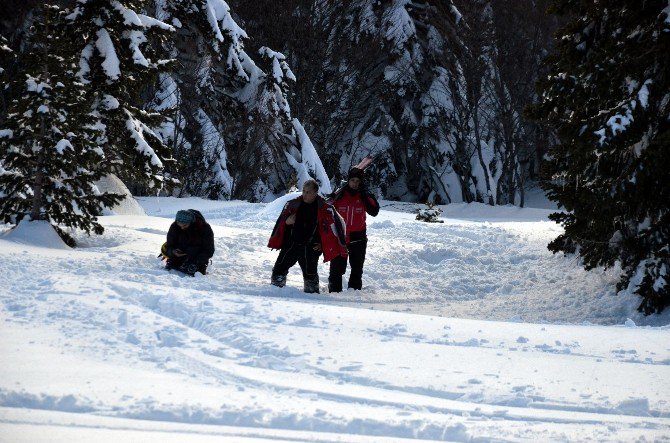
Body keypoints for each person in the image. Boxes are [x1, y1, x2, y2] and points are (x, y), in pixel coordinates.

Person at [268, 179, 347, 293]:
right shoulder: (293, 204)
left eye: (308, 192)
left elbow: (333, 231)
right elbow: (281, 224)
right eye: (304, 191)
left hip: (311, 246)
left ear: (315, 193)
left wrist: (322, 244)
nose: (305, 194)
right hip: (292, 243)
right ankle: (275, 292)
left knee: (310, 274)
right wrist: (287, 221)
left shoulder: (325, 208)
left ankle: (312, 297)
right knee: (279, 269)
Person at [328, 167, 380, 292]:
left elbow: (374, 211)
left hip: (359, 237)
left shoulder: (363, 196)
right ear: (348, 181)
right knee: (337, 267)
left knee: (357, 267)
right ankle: (334, 291)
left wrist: (366, 196)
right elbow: (326, 209)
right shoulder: (339, 195)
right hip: (340, 236)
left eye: (358, 181)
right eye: (352, 180)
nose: (355, 183)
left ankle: (355, 292)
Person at [163, 209, 215, 276]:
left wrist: (195, 263)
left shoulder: (204, 228)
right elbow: (169, 245)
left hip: (197, 260)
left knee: (195, 274)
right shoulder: (174, 226)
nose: (181, 228)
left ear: (191, 222)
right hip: (177, 259)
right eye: (179, 225)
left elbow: (209, 250)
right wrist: (173, 252)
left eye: (184, 225)